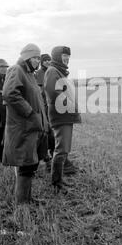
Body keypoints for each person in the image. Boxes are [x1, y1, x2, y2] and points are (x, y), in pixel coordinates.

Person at [2, 43, 48, 205]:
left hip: (32, 128)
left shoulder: (29, 73)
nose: (38, 61)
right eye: (35, 57)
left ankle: (28, 198)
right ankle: (22, 204)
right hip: (23, 128)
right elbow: (9, 93)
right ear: (27, 57)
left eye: (38, 58)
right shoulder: (16, 70)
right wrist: (29, 112)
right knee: (25, 167)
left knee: (31, 165)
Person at [44, 46, 81, 192]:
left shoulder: (59, 71)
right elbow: (53, 92)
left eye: (68, 56)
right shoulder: (53, 71)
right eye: (64, 55)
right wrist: (70, 104)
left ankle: (59, 180)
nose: (66, 58)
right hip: (61, 115)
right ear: (57, 56)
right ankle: (56, 183)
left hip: (65, 115)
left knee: (64, 149)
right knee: (61, 150)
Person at [35, 54, 55, 168]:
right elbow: (39, 91)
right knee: (45, 133)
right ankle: (45, 156)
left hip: (52, 106)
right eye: (45, 60)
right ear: (41, 62)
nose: (47, 62)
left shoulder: (53, 72)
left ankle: (52, 155)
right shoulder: (38, 74)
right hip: (43, 107)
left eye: (49, 60)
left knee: (53, 133)